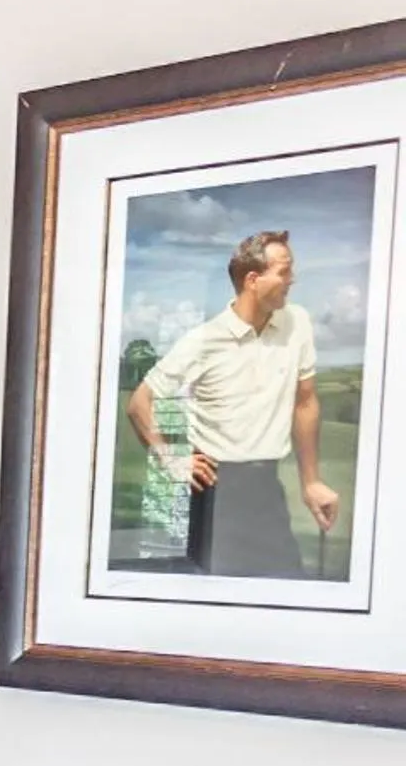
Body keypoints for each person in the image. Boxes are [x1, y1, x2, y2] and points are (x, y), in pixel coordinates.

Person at [127, 229, 341, 579]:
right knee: (217, 607)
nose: (293, 279)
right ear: (253, 280)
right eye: (284, 271)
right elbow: (139, 403)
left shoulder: (297, 321)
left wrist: (312, 482)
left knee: (287, 594)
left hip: (269, 489)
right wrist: (171, 460)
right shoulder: (203, 341)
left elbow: (305, 402)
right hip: (216, 494)